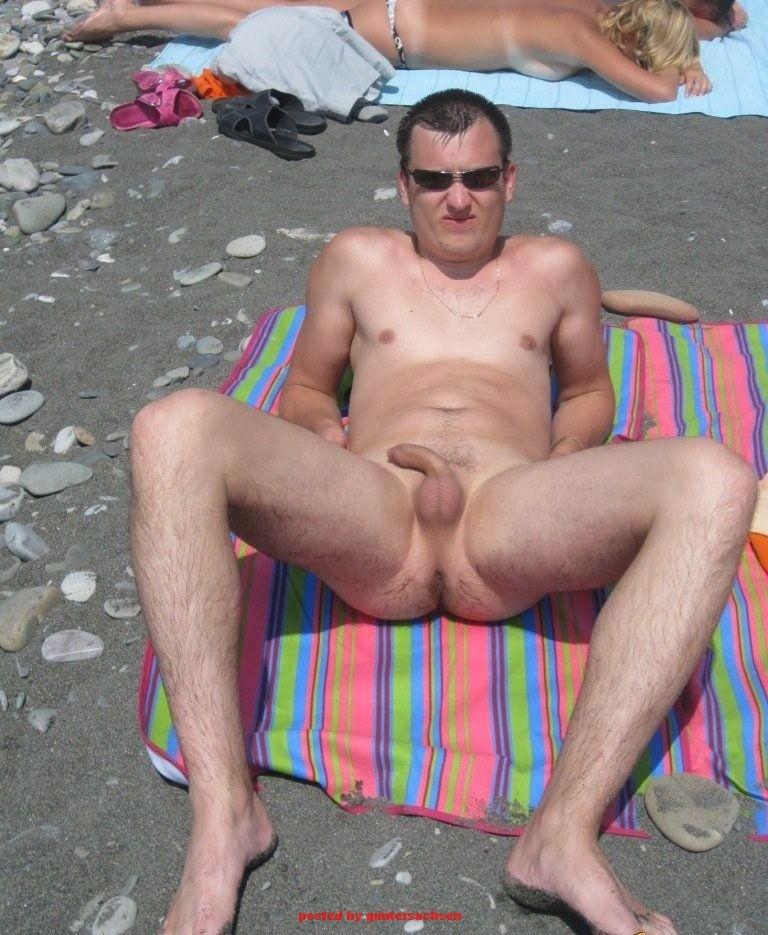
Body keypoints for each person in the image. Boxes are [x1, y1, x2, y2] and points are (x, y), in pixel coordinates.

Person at [129, 88, 757, 934]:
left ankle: (560, 835)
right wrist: (330, 439)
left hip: (507, 511)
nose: (457, 199)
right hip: (376, 506)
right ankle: (224, 816)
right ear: (404, 185)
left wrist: (569, 454)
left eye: (478, 178)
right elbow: (308, 386)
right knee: (170, 428)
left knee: (717, 478)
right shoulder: (357, 260)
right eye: (433, 180)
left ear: (510, 179)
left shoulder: (556, 270)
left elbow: (587, 392)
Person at [67, 0, 713, 102]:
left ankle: (138, 8)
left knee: (262, 5)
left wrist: (686, 49)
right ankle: (128, 18)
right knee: (253, 20)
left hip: (401, 9)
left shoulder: (585, 11)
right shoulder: (582, 40)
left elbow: (699, 21)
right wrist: (683, 70)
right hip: (392, 35)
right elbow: (654, 91)